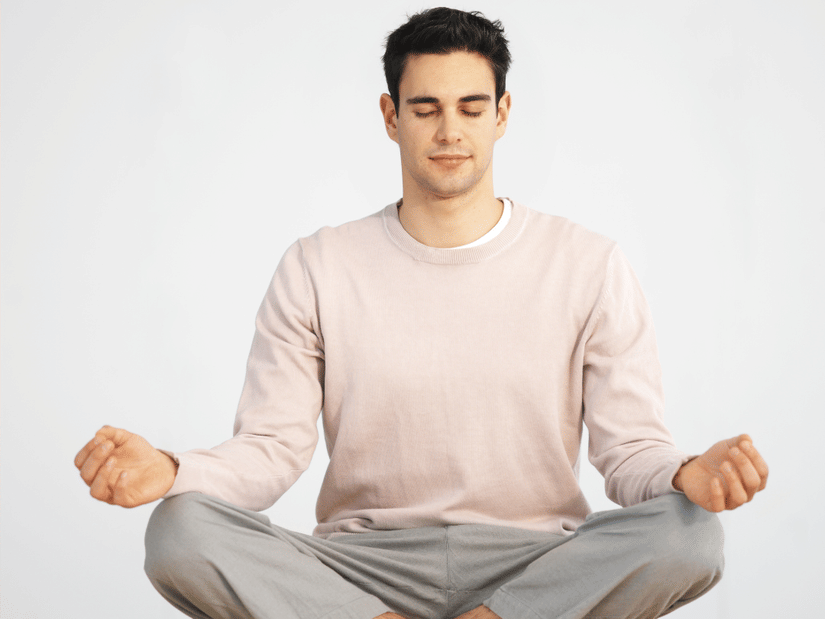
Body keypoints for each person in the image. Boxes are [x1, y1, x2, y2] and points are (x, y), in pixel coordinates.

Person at [74, 8, 768, 619]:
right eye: (426, 108)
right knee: (180, 529)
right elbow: (270, 450)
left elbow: (627, 452)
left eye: (470, 107)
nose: (449, 130)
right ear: (390, 116)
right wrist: (171, 470)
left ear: (501, 114)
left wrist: (684, 473)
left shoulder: (587, 263)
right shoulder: (318, 265)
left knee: (690, 532)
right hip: (363, 565)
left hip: (533, 563)